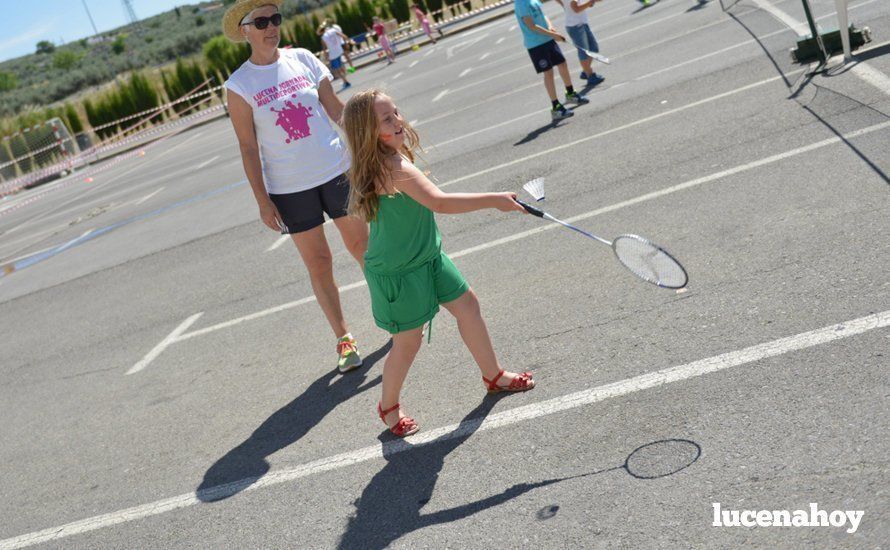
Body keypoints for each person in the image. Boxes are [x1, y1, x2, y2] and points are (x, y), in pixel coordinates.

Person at [341, 89, 536, 437]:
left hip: (428, 257)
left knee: (468, 307)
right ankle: (388, 405)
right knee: (408, 342)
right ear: (368, 131)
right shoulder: (391, 168)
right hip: (399, 274)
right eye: (386, 118)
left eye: (396, 112)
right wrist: (495, 200)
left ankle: (493, 375)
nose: (397, 120)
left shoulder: (392, 158)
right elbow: (439, 203)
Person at [222, 0, 369, 373]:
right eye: (261, 21)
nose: (271, 26)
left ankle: (394, 309)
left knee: (363, 247)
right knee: (319, 263)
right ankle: (344, 338)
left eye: (275, 18)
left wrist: (368, 142)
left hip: (336, 170)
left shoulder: (303, 58)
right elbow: (248, 147)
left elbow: (335, 109)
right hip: (290, 189)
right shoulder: (239, 85)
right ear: (245, 30)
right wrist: (262, 201)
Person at [514, 0, 589, 121]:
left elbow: (543, 15)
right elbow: (531, 26)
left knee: (562, 64)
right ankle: (556, 107)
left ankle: (570, 94)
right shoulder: (521, 4)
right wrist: (553, 35)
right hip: (536, 44)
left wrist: (550, 27)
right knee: (548, 73)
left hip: (548, 39)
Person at [555, 0, 605, 86]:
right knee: (584, 52)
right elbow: (576, 9)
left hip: (582, 23)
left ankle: (586, 71)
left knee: (594, 48)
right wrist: (590, 2)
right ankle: (590, 76)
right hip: (575, 27)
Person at [319, 22, 353, 90]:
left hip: (333, 54)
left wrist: (326, 57)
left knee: (337, 70)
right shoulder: (333, 30)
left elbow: (325, 48)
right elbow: (344, 36)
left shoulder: (323, 37)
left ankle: (346, 82)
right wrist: (347, 42)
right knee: (340, 66)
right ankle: (345, 78)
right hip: (339, 50)